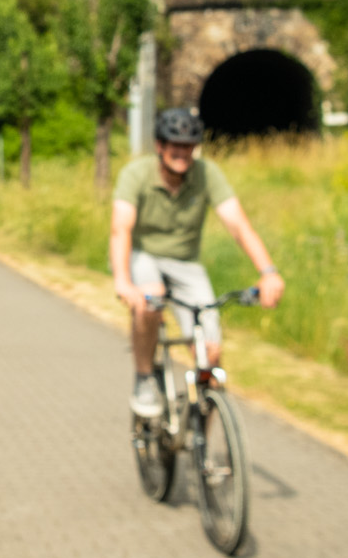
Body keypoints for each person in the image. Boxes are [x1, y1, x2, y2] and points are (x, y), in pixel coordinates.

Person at [110, 107, 285, 418]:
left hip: (186, 262)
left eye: (189, 146)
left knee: (211, 354)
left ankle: (198, 440)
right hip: (144, 255)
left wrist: (268, 272)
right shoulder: (136, 175)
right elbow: (120, 229)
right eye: (175, 145)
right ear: (160, 146)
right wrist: (123, 280)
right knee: (150, 299)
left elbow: (238, 225)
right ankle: (144, 377)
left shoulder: (206, 173)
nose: (182, 153)